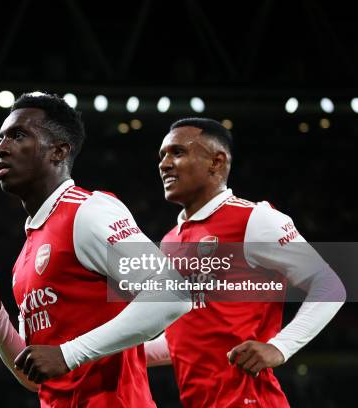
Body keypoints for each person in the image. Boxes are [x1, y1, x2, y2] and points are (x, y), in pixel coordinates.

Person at [0, 93, 190, 407]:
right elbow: (36, 376)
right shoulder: (24, 259)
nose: (0, 148)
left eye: (17, 135)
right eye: (1, 137)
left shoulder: (89, 211)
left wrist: (68, 353)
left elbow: (173, 294)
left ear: (58, 151)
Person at [144, 118, 345, 407]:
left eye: (178, 152)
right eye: (162, 155)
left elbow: (329, 285)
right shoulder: (170, 241)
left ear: (216, 161)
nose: (164, 164)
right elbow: (184, 340)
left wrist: (280, 346)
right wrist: (109, 351)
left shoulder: (255, 220)